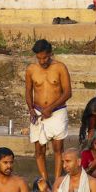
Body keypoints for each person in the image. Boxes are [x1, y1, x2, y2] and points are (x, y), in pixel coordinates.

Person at [25, 39, 72, 183]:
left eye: (45, 57)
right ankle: (44, 181)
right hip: (38, 112)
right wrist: (31, 109)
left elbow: (68, 92)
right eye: (39, 58)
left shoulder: (60, 68)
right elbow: (28, 91)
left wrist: (50, 108)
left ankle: (57, 181)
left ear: (50, 53)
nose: (42, 61)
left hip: (57, 111)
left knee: (58, 148)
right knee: (39, 149)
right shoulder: (31, 69)